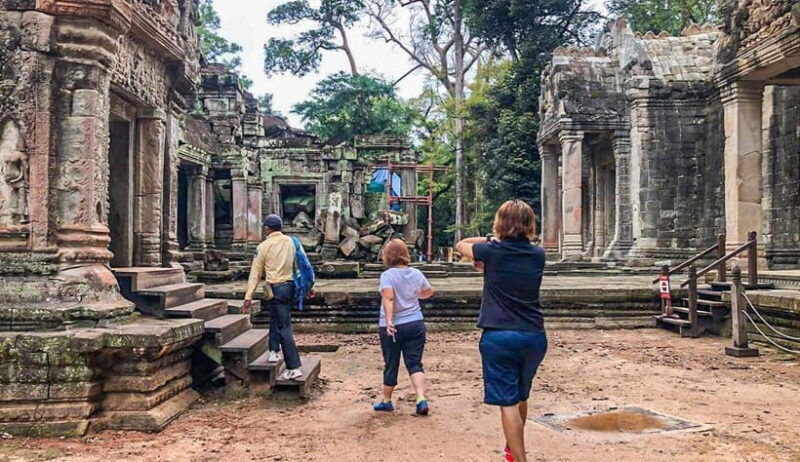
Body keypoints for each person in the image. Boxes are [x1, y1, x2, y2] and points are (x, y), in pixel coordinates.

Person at [455, 200, 547, 462]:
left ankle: (520, 458)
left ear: (500, 223)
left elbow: (461, 244)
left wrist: (490, 242)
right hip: (533, 335)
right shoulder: (538, 253)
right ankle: (512, 449)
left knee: (507, 402)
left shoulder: (491, 251)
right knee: (521, 395)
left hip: (500, 336)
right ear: (529, 224)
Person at [373, 238, 434, 415]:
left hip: (393, 326)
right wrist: (415, 296)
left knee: (391, 363)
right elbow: (429, 292)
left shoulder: (387, 276)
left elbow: (389, 298)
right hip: (415, 323)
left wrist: (390, 320)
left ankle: (386, 400)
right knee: (415, 363)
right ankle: (421, 398)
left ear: (387, 256)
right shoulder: (416, 273)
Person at [243, 214, 303, 381]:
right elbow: (302, 265)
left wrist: (248, 296)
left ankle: (293, 367)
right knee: (275, 317)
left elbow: (255, 273)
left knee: (284, 326)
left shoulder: (263, 246)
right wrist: (309, 286)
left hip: (276, 287)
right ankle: (273, 350)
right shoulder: (292, 242)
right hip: (290, 287)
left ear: (267, 229)